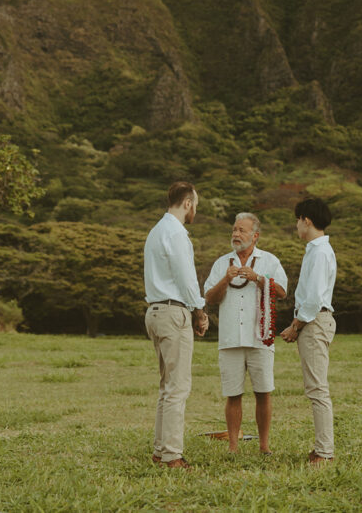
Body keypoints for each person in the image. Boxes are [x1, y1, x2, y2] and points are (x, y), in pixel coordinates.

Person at [203, 212, 288, 455]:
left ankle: (264, 446)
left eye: (241, 230)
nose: (236, 234)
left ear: (255, 236)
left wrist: (259, 278)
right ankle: (233, 447)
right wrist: (224, 280)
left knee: (263, 391)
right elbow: (209, 298)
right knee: (233, 394)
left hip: (260, 336)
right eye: (234, 230)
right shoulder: (222, 263)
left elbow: (282, 292)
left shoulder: (270, 261)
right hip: (230, 338)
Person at [144, 181, 209, 469]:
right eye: (195, 204)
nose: (195, 209)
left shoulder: (156, 231)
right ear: (187, 203)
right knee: (177, 387)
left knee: (166, 385)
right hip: (173, 312)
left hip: (155, 312)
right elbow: (186, 277)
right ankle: (171, 455)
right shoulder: (177, 233)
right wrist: (200, 310)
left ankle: (161, 450)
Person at [279, 197, 337, 465]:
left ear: (307, 220)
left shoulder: (320, 252)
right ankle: (322, 449)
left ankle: (324, 452)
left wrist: (295, 326)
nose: (297, 226)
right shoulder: (317, 250)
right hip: (314, 321)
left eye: (298, 220)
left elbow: (312, 299)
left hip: (314, 322)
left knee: (317, 388)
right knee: (316, 387)